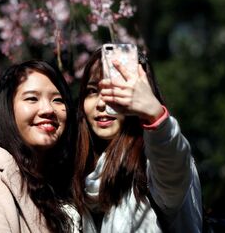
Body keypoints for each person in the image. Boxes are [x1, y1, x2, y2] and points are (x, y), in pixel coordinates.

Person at [72, 48, 203, 232]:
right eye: (92, 91)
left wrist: (155, 116)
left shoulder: (153, 163)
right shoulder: (77, 169)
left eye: (116, 90)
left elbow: (171, 169)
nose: (101, 103)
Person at [0, 60, 81, 233]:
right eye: (32, 98)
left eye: (57, 100)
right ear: (8, 110)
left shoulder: (76, 182)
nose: (48, 109)